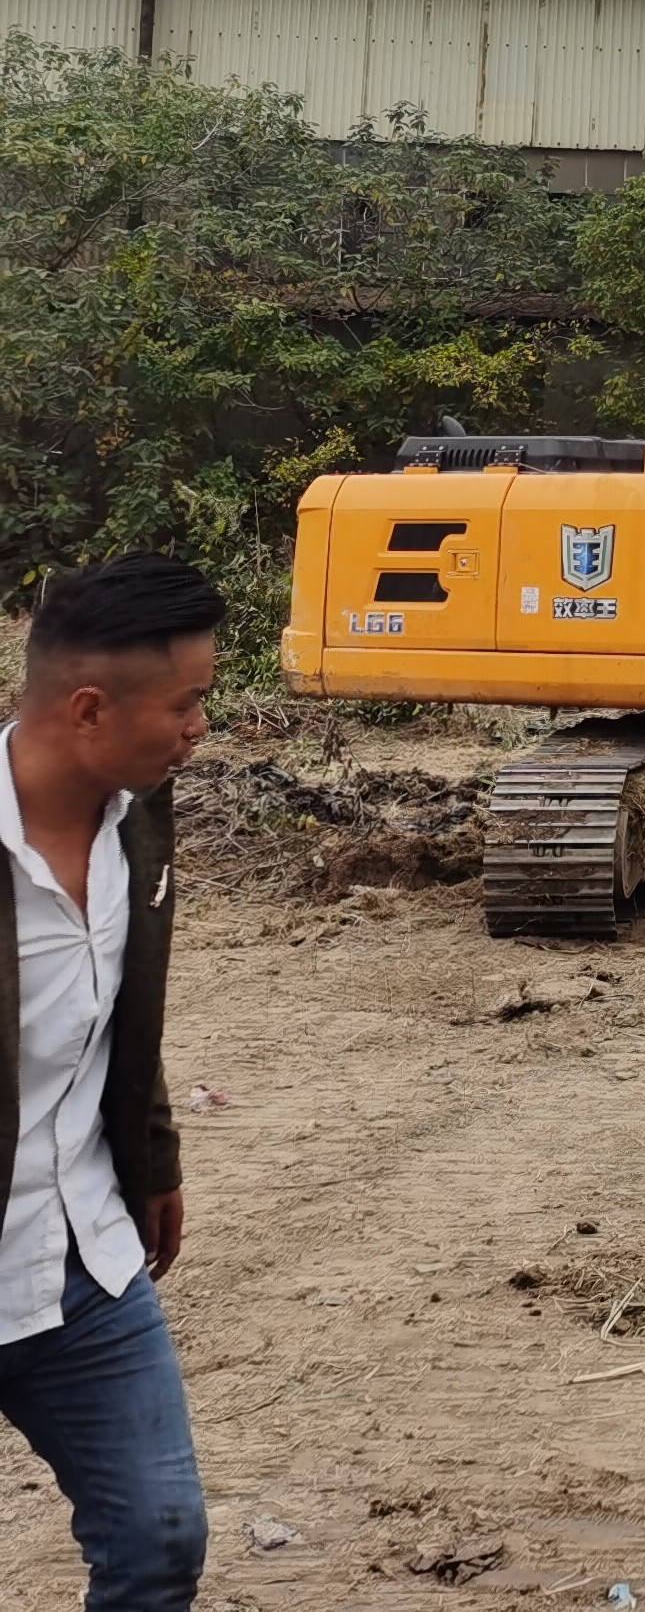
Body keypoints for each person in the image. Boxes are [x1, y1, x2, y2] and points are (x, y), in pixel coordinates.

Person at [0, 552, 221, 1611]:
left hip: (82, 1259)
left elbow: (124, 1010)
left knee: (157, 1543)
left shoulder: (138, 816)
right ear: (89, 709)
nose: (199, 729)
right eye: (185, 705)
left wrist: (155, 1155)